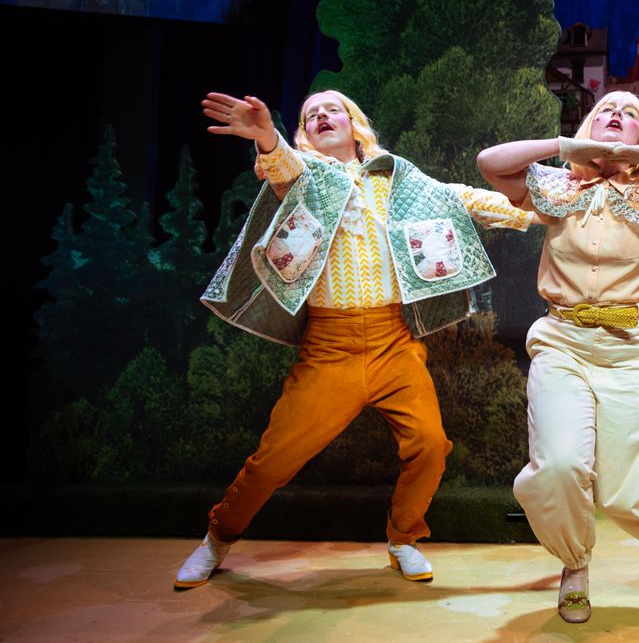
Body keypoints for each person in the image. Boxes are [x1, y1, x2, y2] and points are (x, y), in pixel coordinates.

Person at [173, 89, 531, 589]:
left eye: (332, 109)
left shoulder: (396, 177)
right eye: (310, 115)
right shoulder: (305, 175)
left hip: (392, 342)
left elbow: (460, 197)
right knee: (273, 461)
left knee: (430, 445)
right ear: (303, 133)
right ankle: (217, 537)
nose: (322, 116)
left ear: (354, 123)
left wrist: (540, 210)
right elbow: (280, 165)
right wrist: (266, 137)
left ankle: (403, 538)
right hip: (330, 347)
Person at [475, 91, 639, 624]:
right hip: (563, 341)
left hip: (636, 347)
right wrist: (565, 146)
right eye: (606, 111)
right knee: (559, 467)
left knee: (630, 498)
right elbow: (490, 163)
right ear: (588, 127)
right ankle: (574, 565)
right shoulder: (556, 187)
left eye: (631, 114)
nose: (617, 115)